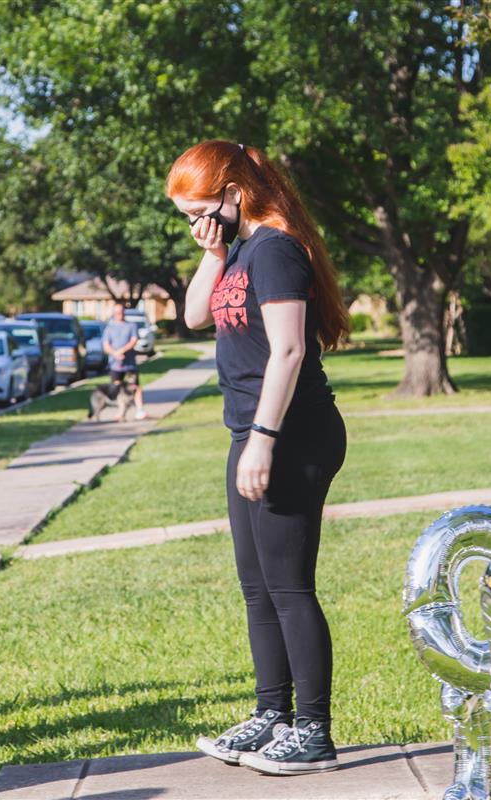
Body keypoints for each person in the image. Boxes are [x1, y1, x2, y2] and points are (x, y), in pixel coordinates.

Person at [167, 140, 350, 775]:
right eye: (184, 215)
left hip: (292, 435)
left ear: (233, 194)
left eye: (199, 210)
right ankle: (272, 713)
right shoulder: (240, 250)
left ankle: (314, 731)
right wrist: (213, 251)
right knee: (257, 590)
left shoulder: (274, 250)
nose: (193, 223)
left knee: (290, 587)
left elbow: (290, 351)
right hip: (250, 432)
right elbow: (193, 315)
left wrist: (264, 440)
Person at [101, 303, 147, 421]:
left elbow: (134, 340)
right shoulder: (109, 328)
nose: (119, 314)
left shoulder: (131, 326)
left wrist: (123, 350)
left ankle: (140, 410)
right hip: (115, 364)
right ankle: (120, 412)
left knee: (135, 387)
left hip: (130, 363)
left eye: (121, 312)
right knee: (117, 388)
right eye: (117, 312)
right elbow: (106, 345)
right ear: (113, 313)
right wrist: (115, 353)